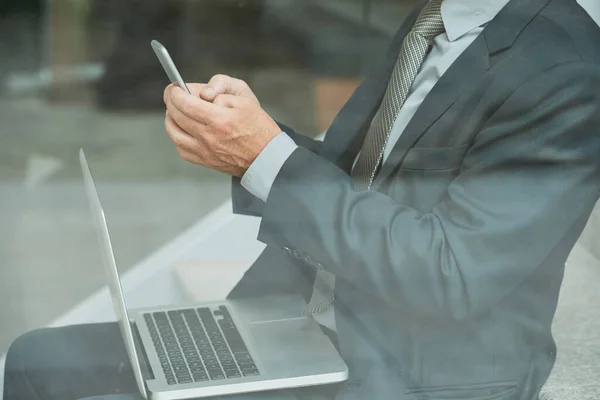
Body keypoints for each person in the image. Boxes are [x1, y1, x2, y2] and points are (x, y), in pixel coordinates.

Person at [4, 0, 600, 399]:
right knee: (37, 357)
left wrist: (263, 156)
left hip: (415, 367)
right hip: (311, 313)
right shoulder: (438, 17)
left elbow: (453, 273)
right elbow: (361, 180)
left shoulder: (569, 71)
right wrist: (252, 136)